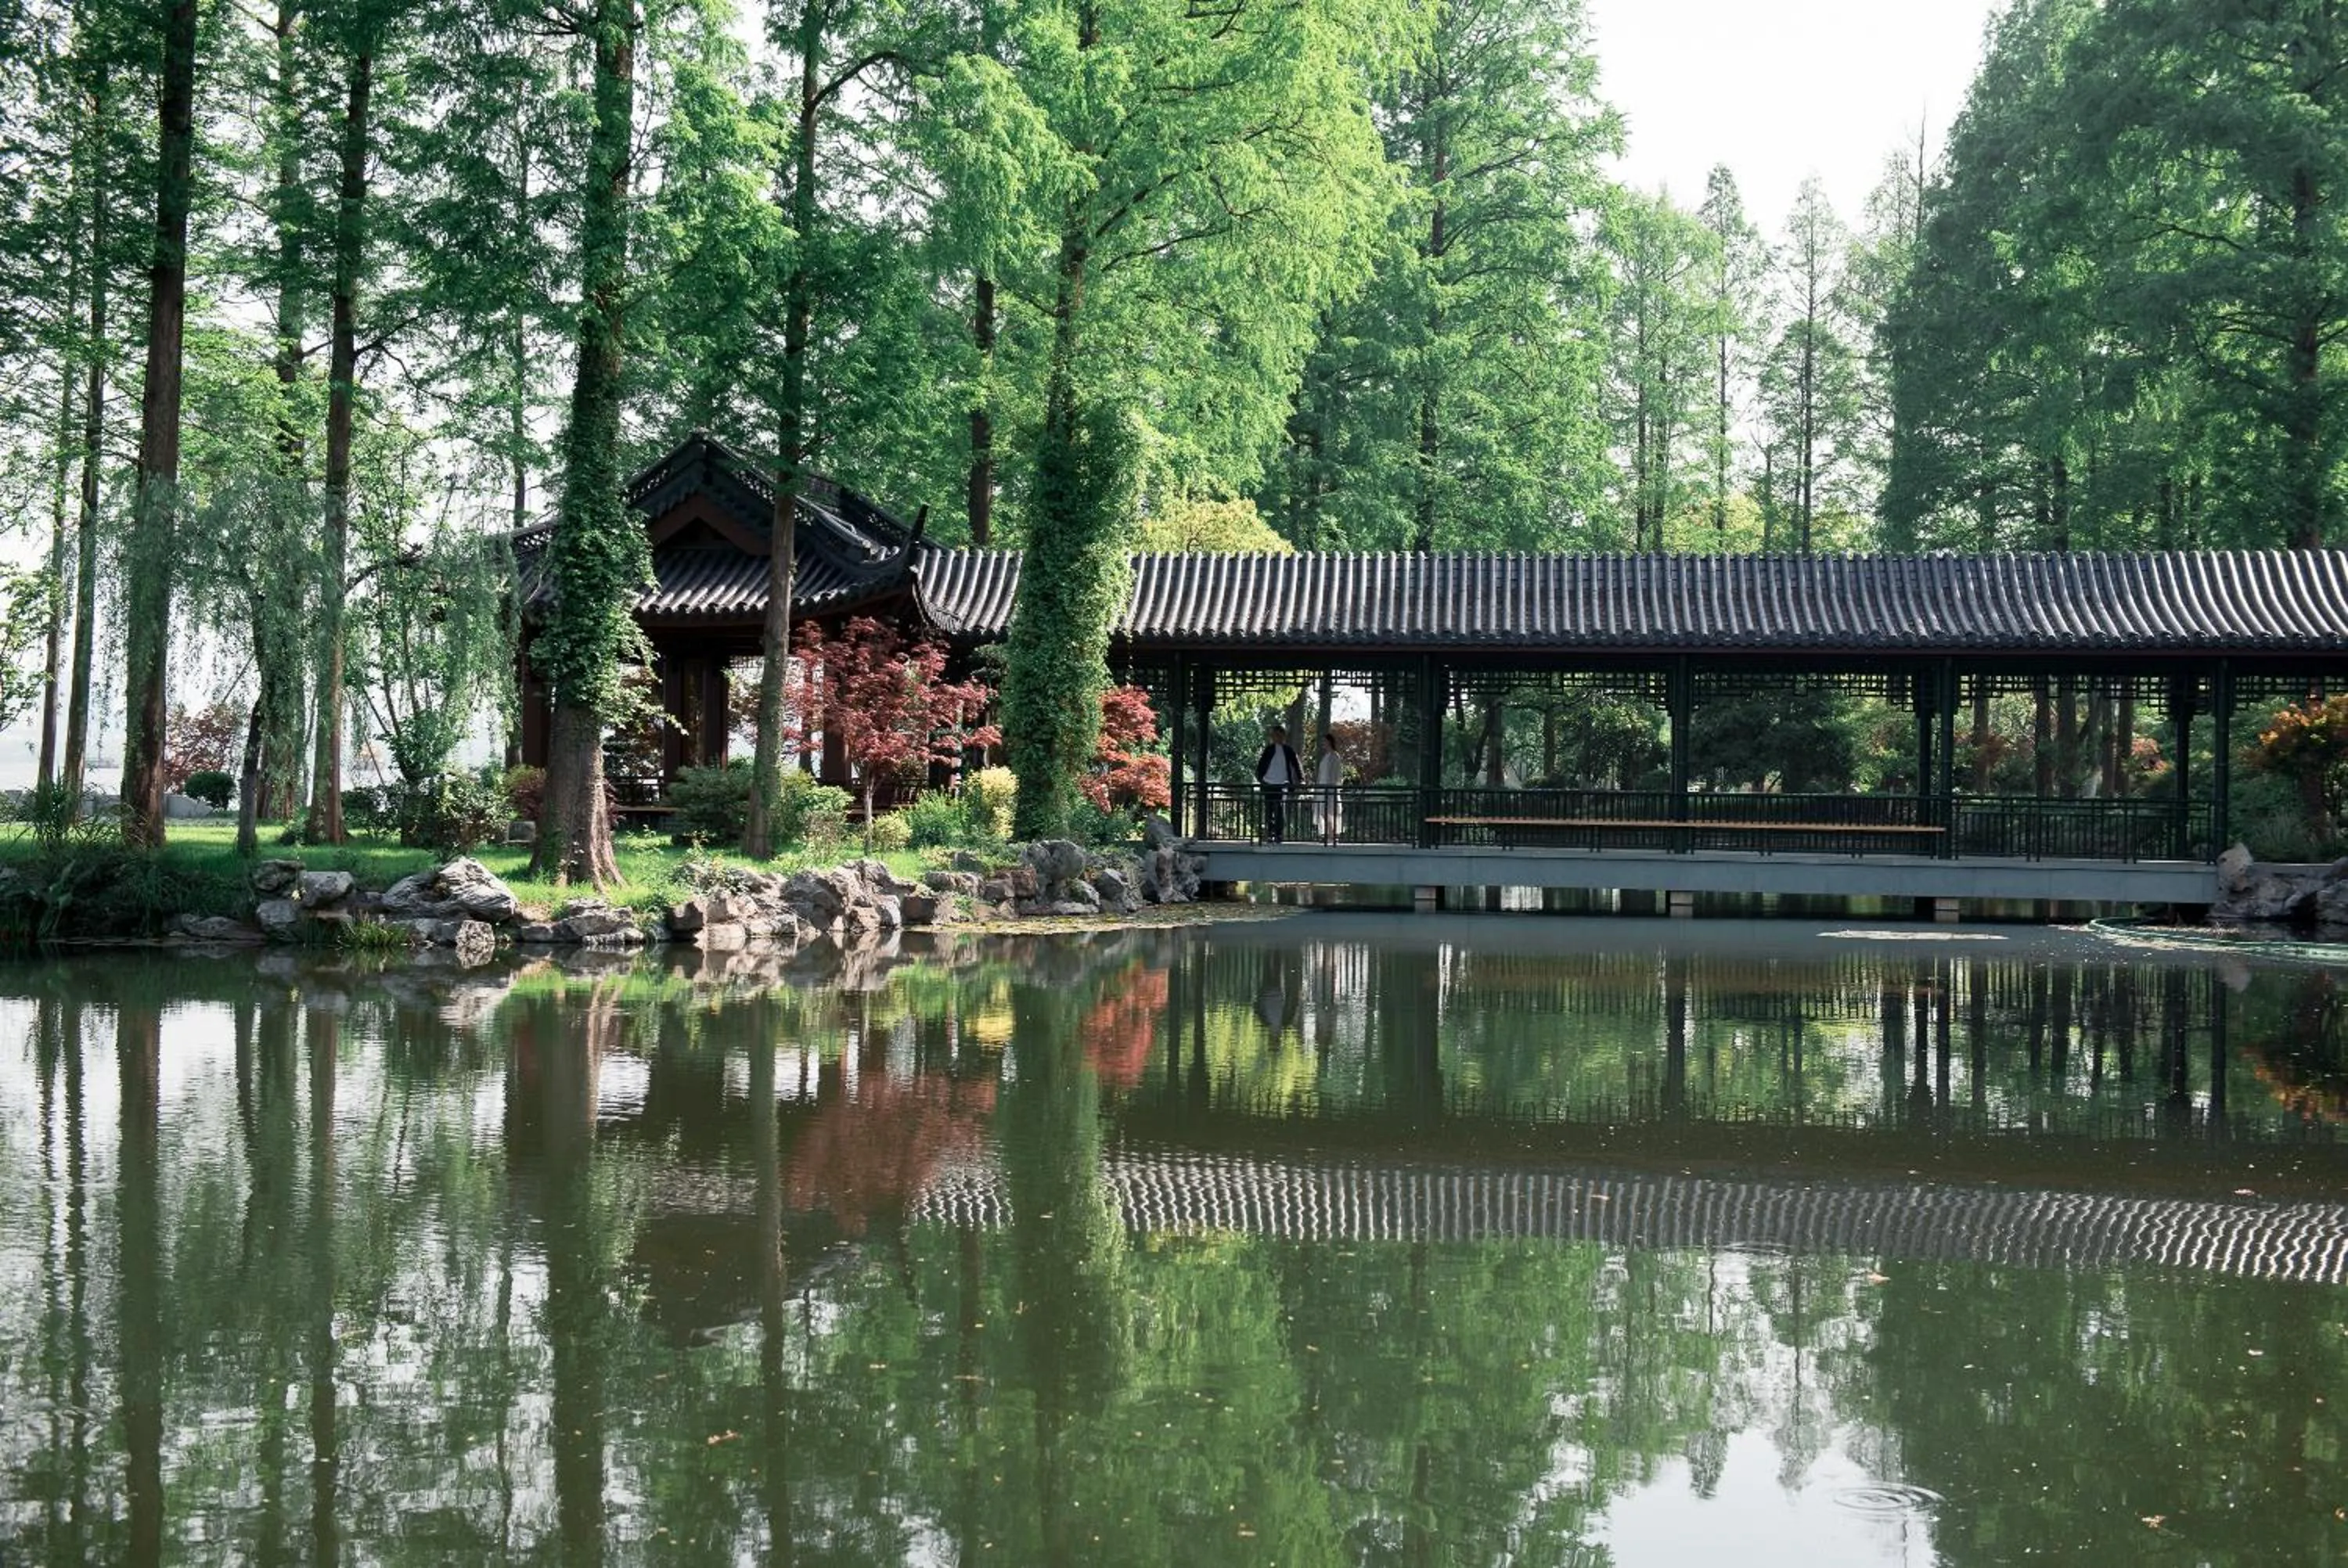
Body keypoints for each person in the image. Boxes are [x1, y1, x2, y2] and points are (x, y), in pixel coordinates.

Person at [1254, 724, 1302, 843]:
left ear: (1283, 736)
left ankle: (1279, 834)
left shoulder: (1288, 750)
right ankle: (1270, 833)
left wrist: (1301, 778)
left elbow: (1296, 764)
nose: (1277, 738)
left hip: (1282, 783)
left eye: (1279, 735)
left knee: (1280, 809)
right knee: (1269, 809)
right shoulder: (1269, 750)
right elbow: (1261, 765)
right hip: (1269, 783)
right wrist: (1260, 778)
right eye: (1274, 735)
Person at [1313, 730, 1345, 843]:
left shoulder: (1334, 756)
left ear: (1330, 742)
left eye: (1325, 741)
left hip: (1330, 789)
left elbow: (1337, 774)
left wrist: (1334, 786)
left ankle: (1332, 836)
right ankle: (1328, 834)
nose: (1323, 743)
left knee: (1330, 812)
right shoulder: (1326, 757)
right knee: (1324, 812)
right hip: (1323, 788)